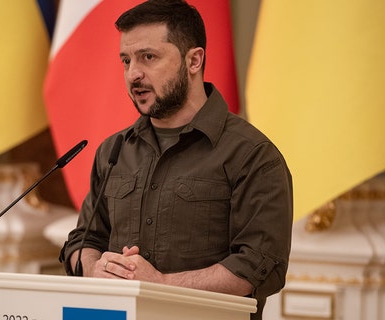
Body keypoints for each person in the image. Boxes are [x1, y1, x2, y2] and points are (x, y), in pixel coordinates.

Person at [59, 1, 293, 318]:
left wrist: (160, 283)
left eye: (148, 57)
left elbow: (257, 266)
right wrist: (94, 268)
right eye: (126, 60)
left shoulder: (252, 155)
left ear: (194, 60)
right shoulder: (114, 150)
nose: (133, 74)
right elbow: (84, 240)